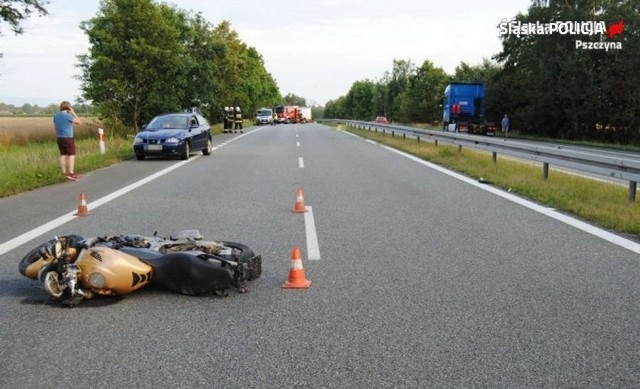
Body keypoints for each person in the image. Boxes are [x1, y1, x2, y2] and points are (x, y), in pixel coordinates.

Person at [53, 101, 81, 180]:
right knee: (71, 155)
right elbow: (79, 122)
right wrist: (73, 113)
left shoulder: (56, 116)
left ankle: (63, 173)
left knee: (63, 155)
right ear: (69, 107)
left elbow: (56, 128)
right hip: (68, 138)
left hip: (59, 138)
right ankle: (71, 174)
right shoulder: (68, 115)